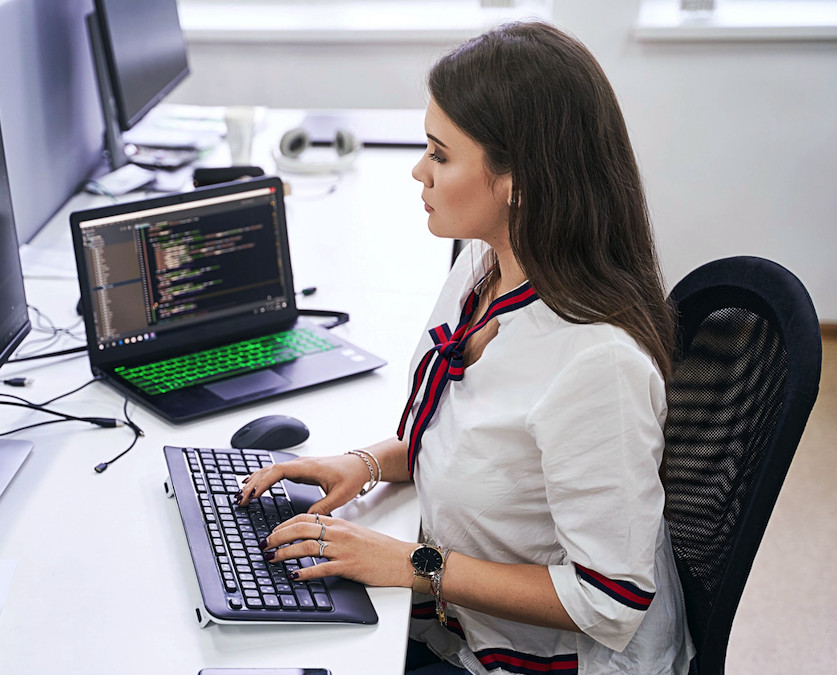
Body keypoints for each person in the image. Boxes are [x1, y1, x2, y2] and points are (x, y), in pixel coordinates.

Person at [235, 20, 696, 675]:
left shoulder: (597, 362)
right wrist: (365, 461)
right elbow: (483, 443)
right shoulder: (484, 264)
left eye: (440, 154)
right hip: (462, 618)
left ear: (520, 182)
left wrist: (413, 564)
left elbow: (610, 598)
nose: (418, 171)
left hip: (547, 660)